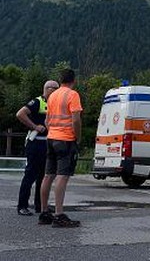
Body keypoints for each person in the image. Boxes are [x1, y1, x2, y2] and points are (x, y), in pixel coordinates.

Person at [39, 69, 82, 228]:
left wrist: (52, 131)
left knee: (48, 175)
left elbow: (47, 121)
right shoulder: (72, 95)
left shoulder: (52, 96)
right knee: (62, 176)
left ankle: (44, 212)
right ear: (73, 80)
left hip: (51, 138)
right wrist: (77, 137)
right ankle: (59, 214)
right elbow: (76, 120)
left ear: (60, 79)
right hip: (65, 139)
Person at [16, 80, 60, 216]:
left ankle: (40, 205)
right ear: (48, 89)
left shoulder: (54, 103)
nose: (57, 92)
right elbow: (20, 114)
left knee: (43, 176)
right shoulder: (37, 102)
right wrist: (34, 126)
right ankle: (22, 205)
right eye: (55, 89)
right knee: (30, 175)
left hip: (48, 143)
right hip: (36, 142)